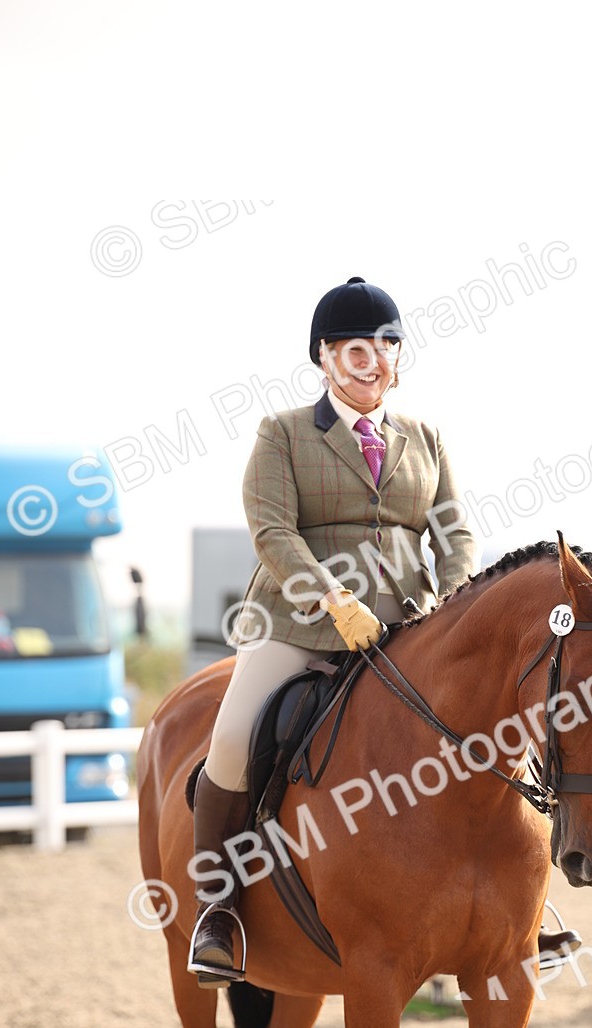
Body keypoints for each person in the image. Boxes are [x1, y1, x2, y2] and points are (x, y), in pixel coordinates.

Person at [189, 276, 477, 985]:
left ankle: (514, 906)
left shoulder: (426, 437)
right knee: (230, 741)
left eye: (387, 345)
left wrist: (461, 598)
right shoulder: (284, 433)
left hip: (409, 624)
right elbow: (273, 530)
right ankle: (217, 910)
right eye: (358, 348)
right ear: (325, 357)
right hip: (302, 623)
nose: (375, 360)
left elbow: (453, 529)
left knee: (487, 722)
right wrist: (331, 596)